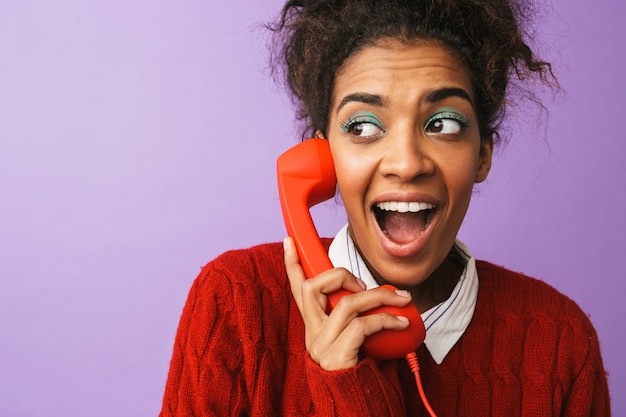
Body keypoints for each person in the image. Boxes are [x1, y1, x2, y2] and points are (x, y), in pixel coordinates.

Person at [159, 0, 611, 415]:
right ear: (323, 156)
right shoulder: (235, 303)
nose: (406, 163)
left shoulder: (560, 340)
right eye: (363, 126)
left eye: (444, 123)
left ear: (483, 156)